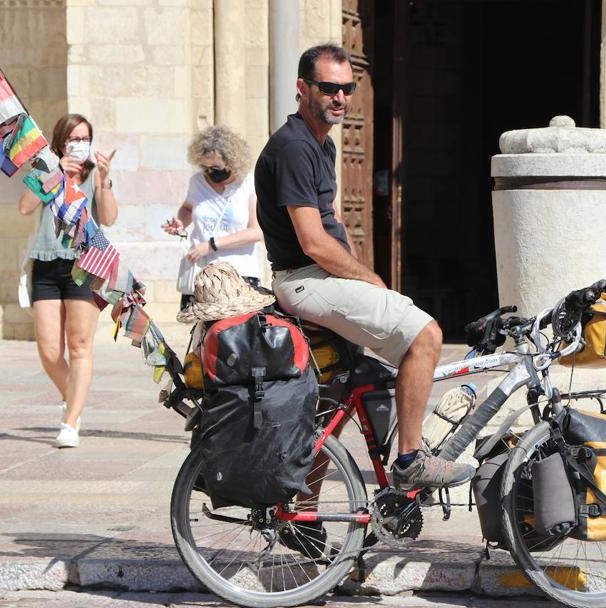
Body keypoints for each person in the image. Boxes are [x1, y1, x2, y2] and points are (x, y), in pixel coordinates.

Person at [255, 44, 474, 492]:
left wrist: (357, 269)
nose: (339, 97)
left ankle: (301, 511)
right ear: (303, 88)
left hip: (320, 278)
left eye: (347, 88)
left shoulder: (322, 144)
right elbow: (313, 242)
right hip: (305, 280)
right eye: (328, 87)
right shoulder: (294, 148)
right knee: (426, 335)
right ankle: (411, 460)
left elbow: (332, 223)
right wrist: (369, 278)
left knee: (339, 399)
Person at [17, 113, 118, 448]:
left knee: (79, 345)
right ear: (60, 141)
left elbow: (109, 218)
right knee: (48, 350)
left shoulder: (93, 175)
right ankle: (73, 396)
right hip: (46, 263)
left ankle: (71, 421)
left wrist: (104, 179)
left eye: (85, 138)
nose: (80, 144)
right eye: (73, 138)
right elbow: (25, 207)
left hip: (84, 264)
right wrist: (57, 172)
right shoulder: (44, 168)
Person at [163, 126, 263, 310]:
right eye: (205, 167)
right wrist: (180, 223)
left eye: (215, 167)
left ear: (232, 161)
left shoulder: (249, 184)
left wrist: (211, 245)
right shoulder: (197, 182)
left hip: (239, 275)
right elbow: (187, 208)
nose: (210, 172)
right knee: (204, 336)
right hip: (202, 277)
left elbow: (256, 232)